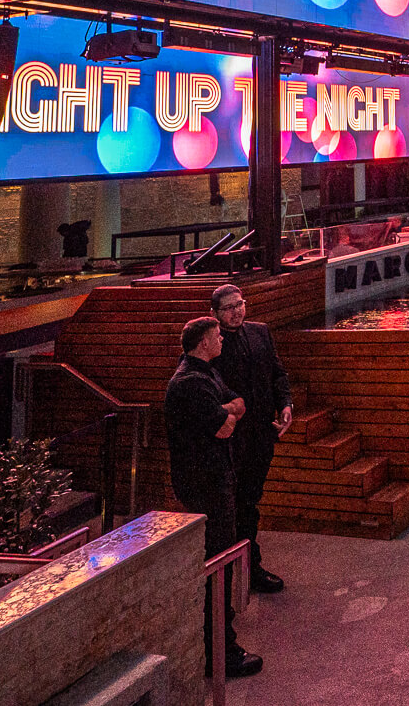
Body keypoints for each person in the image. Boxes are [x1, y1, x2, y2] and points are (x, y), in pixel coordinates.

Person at [166, 316, 261, 678]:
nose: (223, 339)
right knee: (217, 562)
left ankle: (221, 641)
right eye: (217, 336)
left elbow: (238, 404)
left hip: (216, 480)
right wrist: (229, 413)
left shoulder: (207, 373)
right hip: (204, 485)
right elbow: (224, 425)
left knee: (222, 557)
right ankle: (220, 651)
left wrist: (230, 410)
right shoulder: (190, 383)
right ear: (204, 342)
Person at [209, 284, 294, 596]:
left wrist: (285, 404)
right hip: (231, 440)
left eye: (240, 304)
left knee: (250, 503)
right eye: (229, 307)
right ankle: (235, 572)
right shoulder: (212, 343)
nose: (237, 311)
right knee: (234, 507)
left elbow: (277, 373)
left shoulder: (260, 332)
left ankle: (249, 568)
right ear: (215, 314)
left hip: (261, 435)